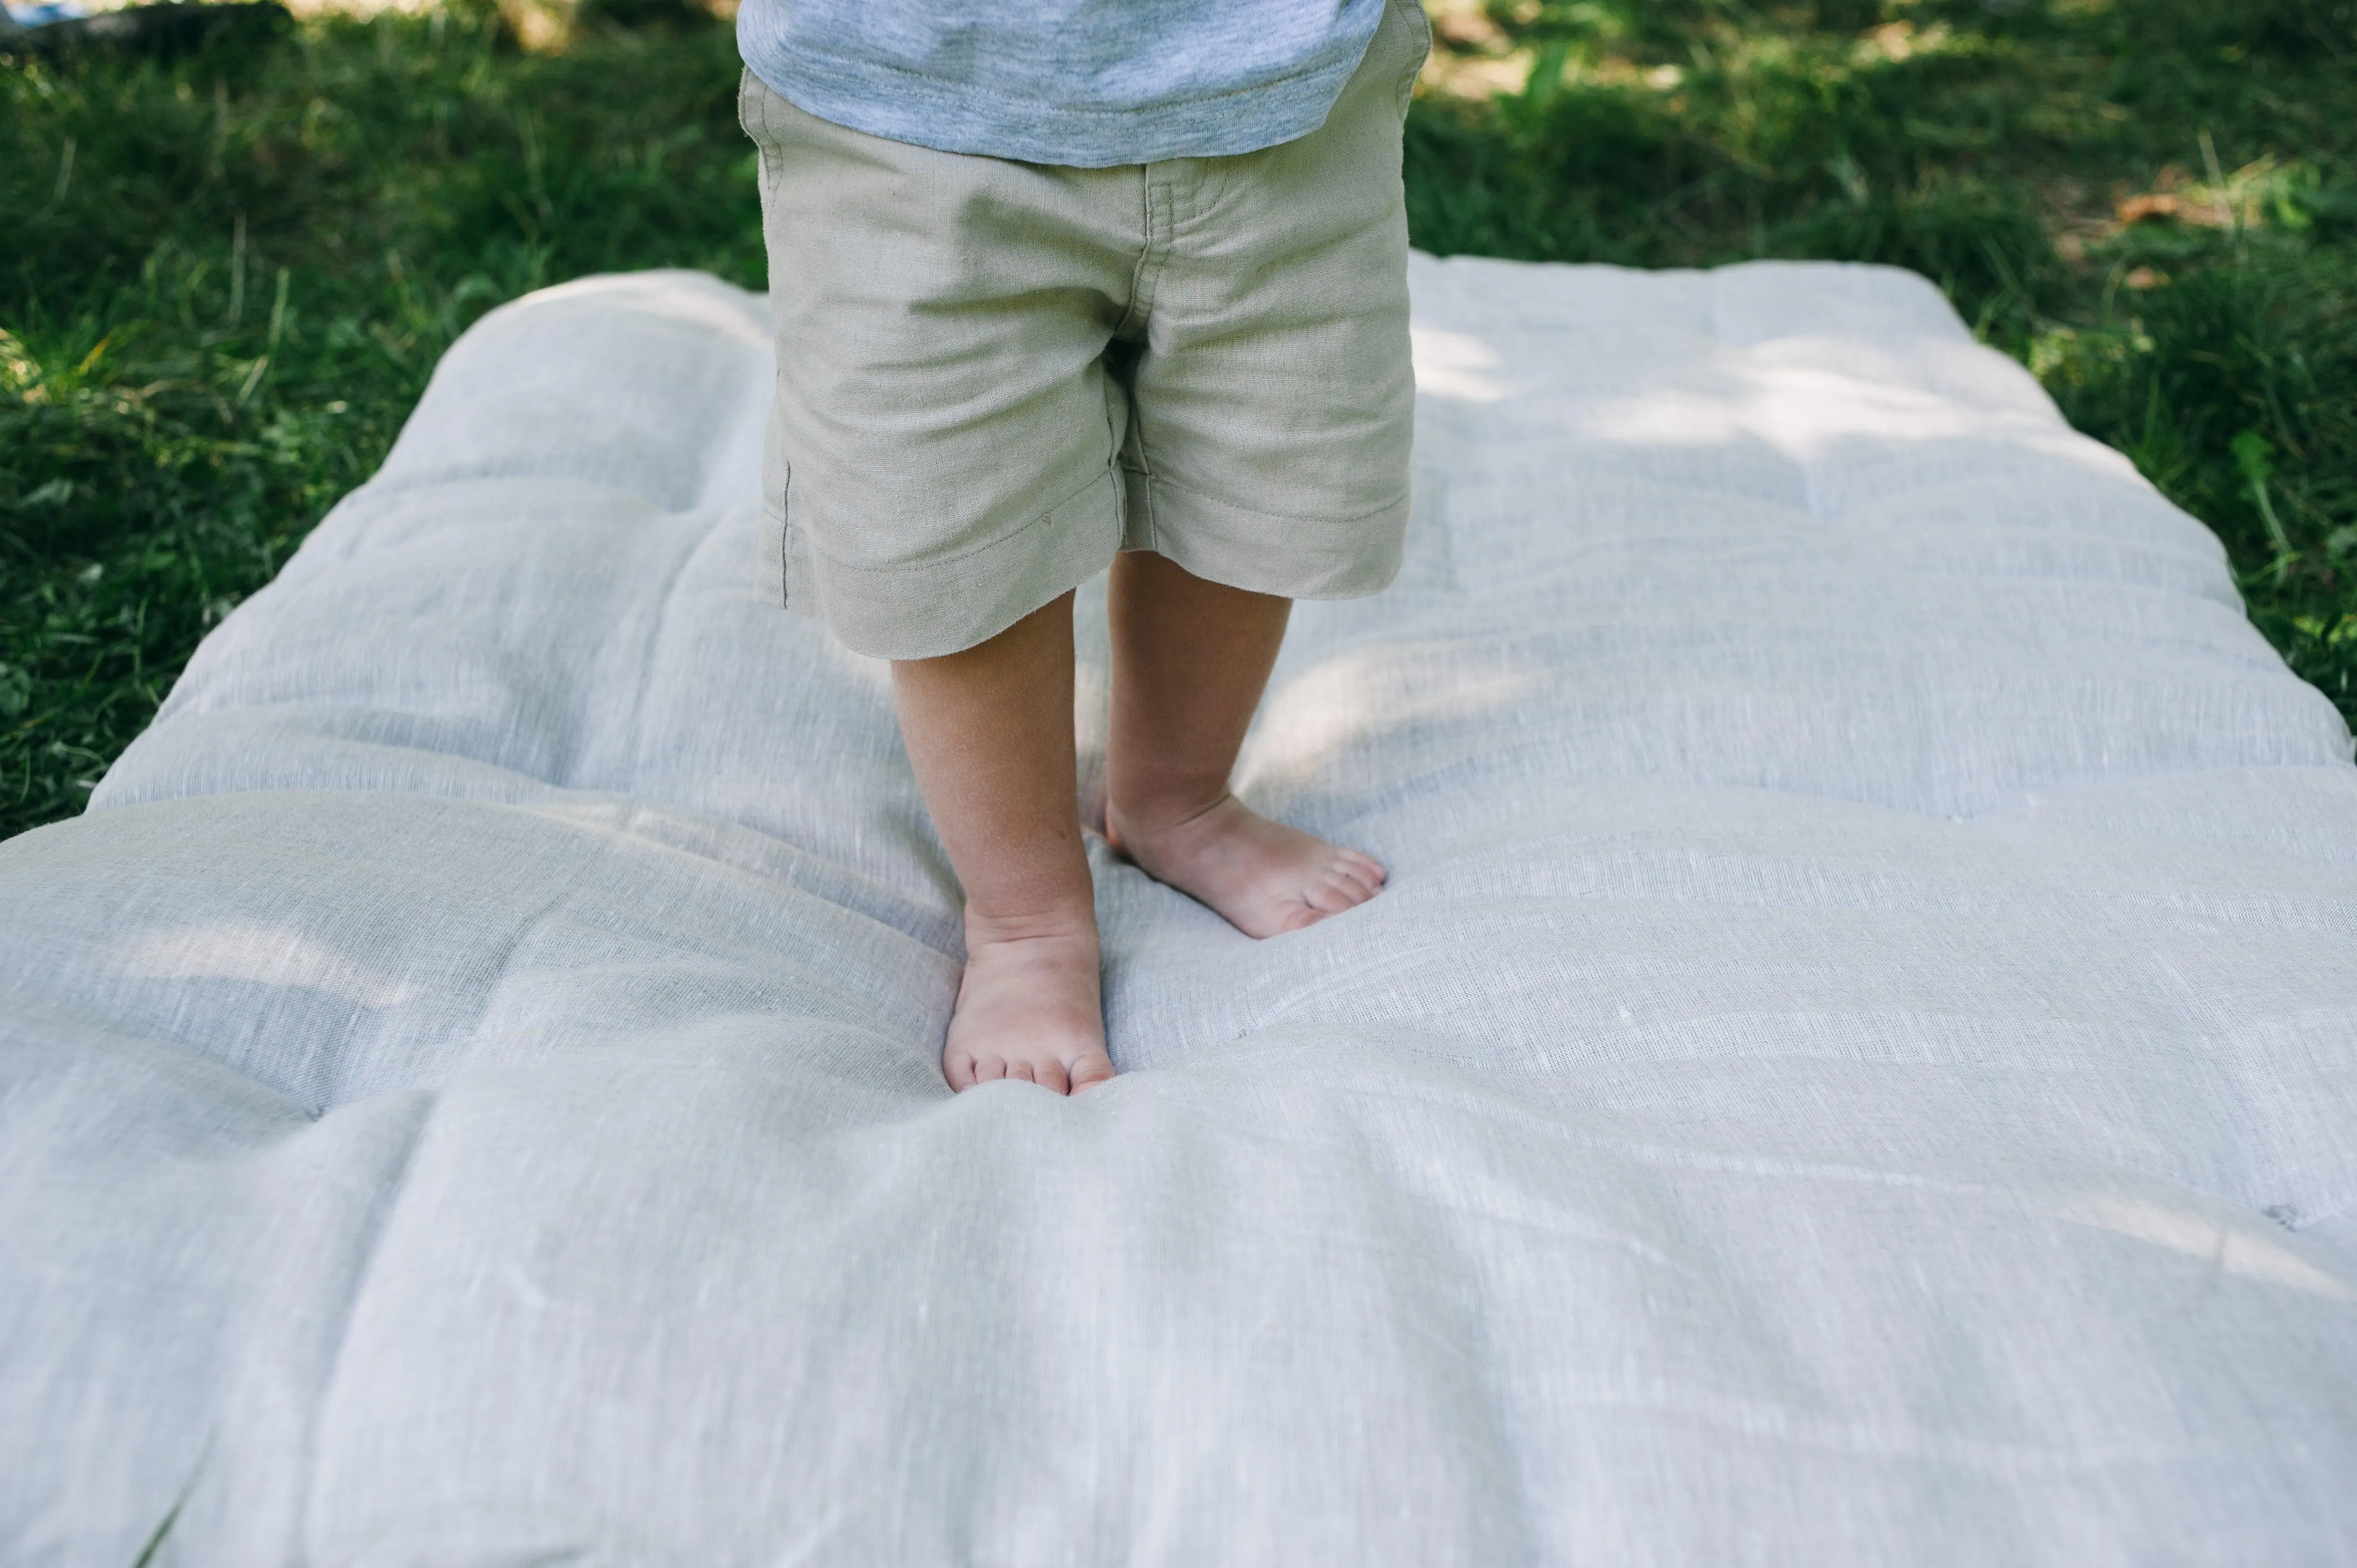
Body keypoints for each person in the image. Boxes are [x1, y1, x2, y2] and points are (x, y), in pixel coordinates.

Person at [735, 0, 1430, 1094]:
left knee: (1262, 468)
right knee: (953, 529)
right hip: (911, 120)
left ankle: (1178, 800)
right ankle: (1023, 920)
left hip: (1285, 97)